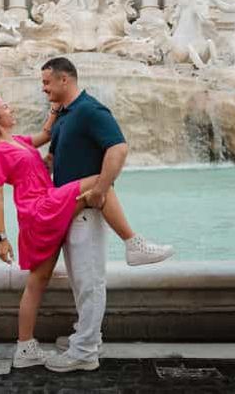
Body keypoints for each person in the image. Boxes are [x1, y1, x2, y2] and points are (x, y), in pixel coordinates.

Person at [0, 89, 173, 371]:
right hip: (38, 210)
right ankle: (133, 242)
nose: (11, 108)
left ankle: (27, 348)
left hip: (47, 206)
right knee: (100, 182)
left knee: (37, 282)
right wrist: (1, 238)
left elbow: (45, 135)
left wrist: (55, 109)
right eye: (5, 106)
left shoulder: (17, 141)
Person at [40, 57, 169, 373]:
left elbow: (118, 148)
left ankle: (84, 353)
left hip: (87, 210)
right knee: (80, 282)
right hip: (69, 209)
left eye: (47, 82)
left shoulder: (89, 110)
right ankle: (87, 337)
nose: (43, 88)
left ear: (65, 80)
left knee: (90, 282)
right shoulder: (67, 116)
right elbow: (54, 158)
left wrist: (101, 189)